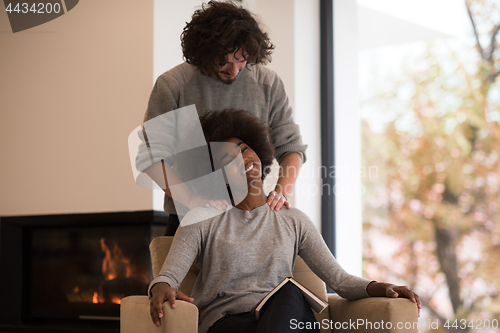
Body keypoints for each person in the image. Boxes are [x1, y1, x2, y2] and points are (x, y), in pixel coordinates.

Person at [148, 110, 421, 333]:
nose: (243, 158)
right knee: (289, 298)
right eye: (228, 159)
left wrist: (383, 287)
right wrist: (160, 288)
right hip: (230, 324)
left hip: (288, 319)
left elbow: (340, 280)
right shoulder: (202, 218)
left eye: (245, 149)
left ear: (259, 154)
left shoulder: (293, 220)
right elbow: (168, 277)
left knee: (289, 294)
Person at [142, 0, 307, 235]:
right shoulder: (173, 85)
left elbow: (291, 148)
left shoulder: (268, 83)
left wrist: (281, 192)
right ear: (203, 52)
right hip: (189, 217)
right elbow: (153, 156)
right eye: (224, 62)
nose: (234, 71)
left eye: (242, 61)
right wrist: (191, 199)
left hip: (252, 217)